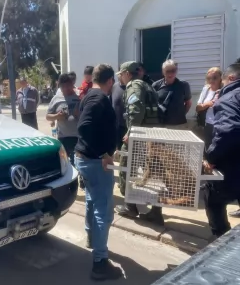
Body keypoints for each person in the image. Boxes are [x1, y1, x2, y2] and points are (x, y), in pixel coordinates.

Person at [74, 64, 122, 281]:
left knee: (92, 201)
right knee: (104, 211)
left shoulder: (88, 95)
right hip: (94, 161)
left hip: (86, 159)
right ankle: (100, 263)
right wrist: (103, 153)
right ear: (110, 80)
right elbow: (84, 126)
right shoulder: (99, 98)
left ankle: (92, 240)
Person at [113, 61, 165, 225]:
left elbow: (136, 109)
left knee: (127, 167)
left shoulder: (133, 86)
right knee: (154, 171)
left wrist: (131, 132)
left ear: (127, 73)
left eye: (121, 74)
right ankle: (156, 211)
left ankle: (130, 206)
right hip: (151, 137)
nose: (120, 78)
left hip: (140, 137)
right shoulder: (147, 85)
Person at [202, 60, 240, 240]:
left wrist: (211, 156)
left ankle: (221, 244)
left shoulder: (230, 98)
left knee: (213, 198)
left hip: (232, 168)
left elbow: (229, 130)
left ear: (231, 78)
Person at [47, 73, 81, 165]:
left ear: (72, 85)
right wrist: (57, 116)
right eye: (63, 86)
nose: (66, 88)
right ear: (60, 86)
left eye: (68, 86)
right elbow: (48, 116)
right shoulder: (56, 98)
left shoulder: (79, 97)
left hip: (77, 137)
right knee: (63, 164)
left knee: (76, 164)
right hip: (63, 137)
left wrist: (79, 114)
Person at [153, 59, 193, 129]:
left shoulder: (184, 85)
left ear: (176, 71)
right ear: (163, 72)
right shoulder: (156, 85)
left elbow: (188, 103)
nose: (170, 74)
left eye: (173, 71)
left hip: (179, 124)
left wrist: (181, 114)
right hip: (161, 124)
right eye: (167, 71)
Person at [196, 67, 223, 152]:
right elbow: (197, 108)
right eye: (209, 78)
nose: (211, 80)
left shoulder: (224, 91)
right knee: (207, 148)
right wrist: (207, 104)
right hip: (207, 124)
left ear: (220, 78)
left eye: (215, 78)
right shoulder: (206, 89)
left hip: (220, 125)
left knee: (219, 148)